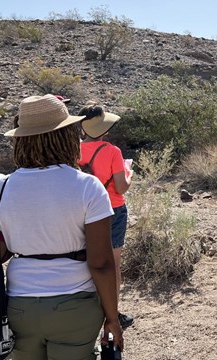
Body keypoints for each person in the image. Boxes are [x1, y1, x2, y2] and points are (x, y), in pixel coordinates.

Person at [0, 94, 123, 358]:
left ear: (21, 139)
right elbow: (101, 262)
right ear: (67, 136)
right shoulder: (87, 186)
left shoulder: (1, 189)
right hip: (75, 306)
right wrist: (112, 318)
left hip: (19, 307)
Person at [78, 103, 135, 329]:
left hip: (84, 210)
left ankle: (88, 311)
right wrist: (129, 175)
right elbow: (120, 188)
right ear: (104, 129)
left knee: (86, 261)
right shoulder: (113, 151)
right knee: (113, 264)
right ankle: (113, 313)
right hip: (113, 209)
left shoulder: (74, 149)